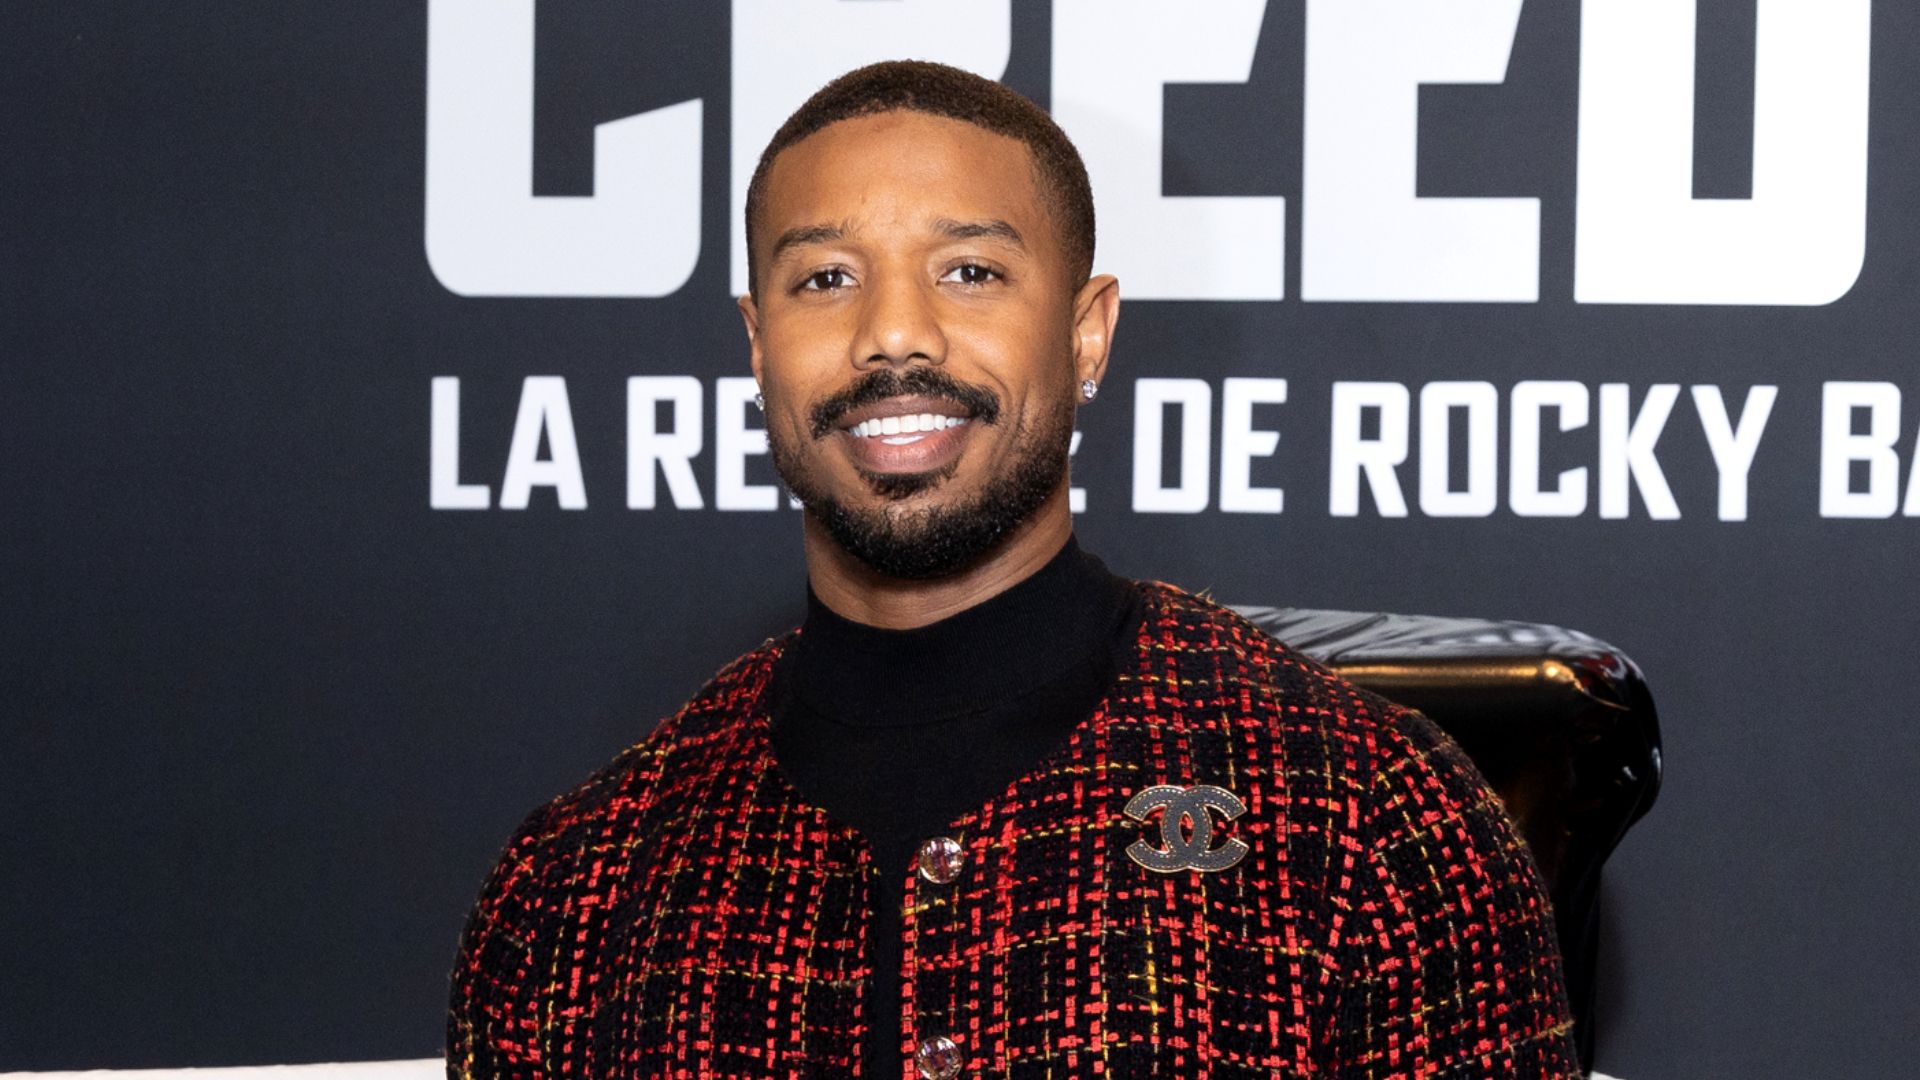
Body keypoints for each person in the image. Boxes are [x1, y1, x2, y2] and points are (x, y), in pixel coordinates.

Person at [446, 60, 1579, 1079]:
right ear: (755, 344)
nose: (895, 335)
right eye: (826, 279)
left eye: (971, 269)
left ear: (1087, 333)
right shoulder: (577, 893)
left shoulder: (1365, 820)